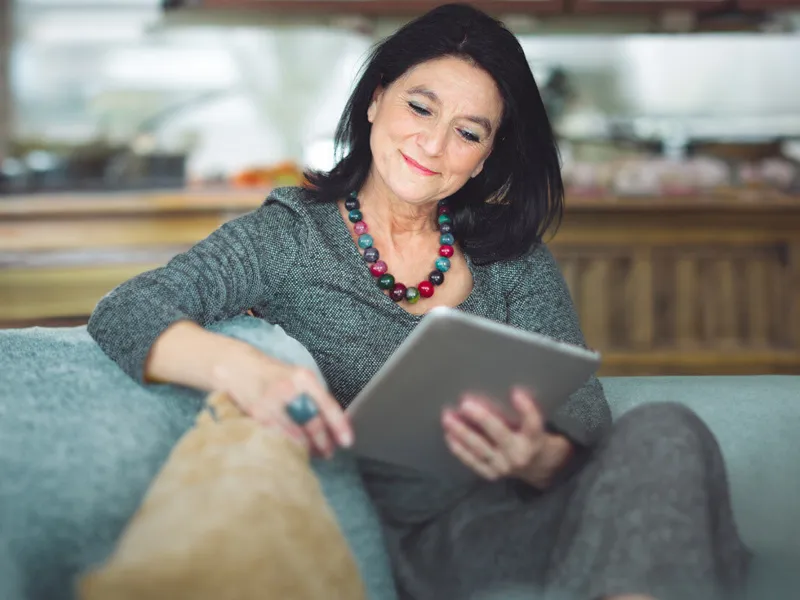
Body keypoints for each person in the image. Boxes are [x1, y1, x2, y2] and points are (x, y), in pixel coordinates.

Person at [87, 4, 751, 599]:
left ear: (488, 156)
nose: (432, 145)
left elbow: (585, 423)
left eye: (469, 132)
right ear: (376, 101)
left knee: (668, 426)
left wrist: (536, 456)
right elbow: (127, 311)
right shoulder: (290, 234)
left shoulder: (512, 260)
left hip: (527, 519)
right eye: (420, 107)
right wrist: (254, 373)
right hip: (402, 542)